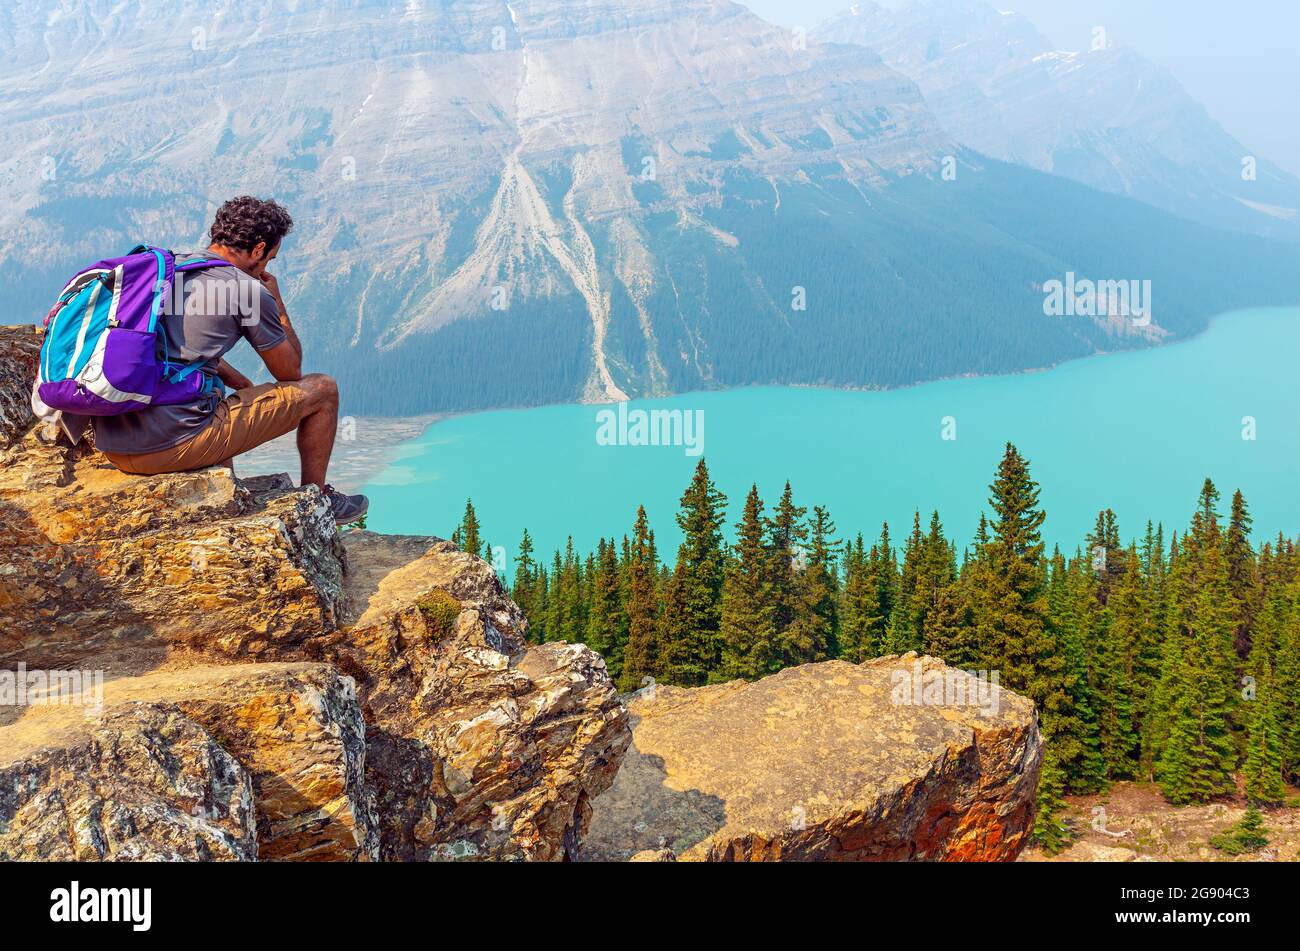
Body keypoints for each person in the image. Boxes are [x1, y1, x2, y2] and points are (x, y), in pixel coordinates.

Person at [93, 195, 367, 525]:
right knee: (323, 390)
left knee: (216, 393)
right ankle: (319, 500)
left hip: (113, 443)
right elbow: (289, 371)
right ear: (258, 248)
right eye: (270, 258)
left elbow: (178, 352)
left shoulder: (167, 269)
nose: (267, 267)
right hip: (167, 447)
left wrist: (241, 384)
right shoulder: (247, 290)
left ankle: (227, 490)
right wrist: (277, 304)